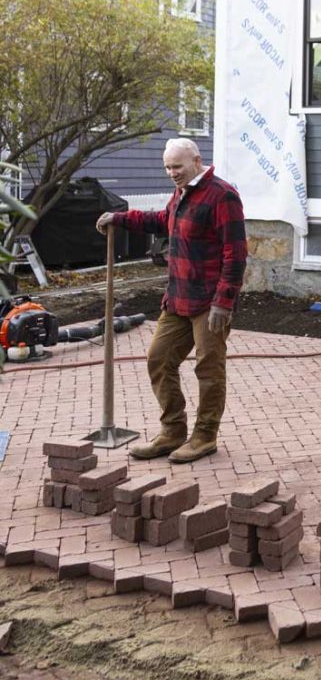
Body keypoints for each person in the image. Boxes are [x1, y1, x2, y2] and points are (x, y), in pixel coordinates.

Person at [96, 137, 248, 462]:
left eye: (176, 166)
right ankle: (173, 432)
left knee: (209, 370)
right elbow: (160, 221)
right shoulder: (181, 193)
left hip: (209, 302)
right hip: (177, 298)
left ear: (196, 160)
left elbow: (235, 255)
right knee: (159, 360)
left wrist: (224, 301)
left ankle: (205, 436)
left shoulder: (222, 196)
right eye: (167, 167)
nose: (171, 173)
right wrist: (119, 218)